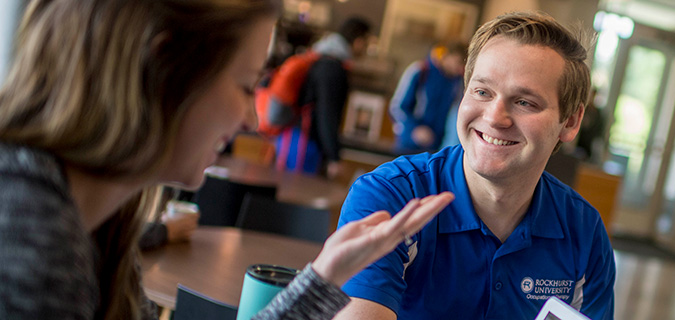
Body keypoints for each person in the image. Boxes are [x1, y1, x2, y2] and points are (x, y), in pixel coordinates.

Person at [0, 1, 453, 319]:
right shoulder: (29, 235)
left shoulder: (98, 224)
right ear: (164, 69)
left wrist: (325, 276)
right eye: (245, 85)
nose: (252, 120)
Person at [333, 12, 616, 320]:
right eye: (482, 92)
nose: (495, 117)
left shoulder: (584, 234)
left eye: (525, 102)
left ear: (571, 121)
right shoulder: (390, 199)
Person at [298, 17, 372, 178]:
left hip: (301, 138)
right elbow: (327, 113)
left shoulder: (324, 58)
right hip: (306, 143)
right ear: (358, 40)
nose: (365, 48)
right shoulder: (332, 67)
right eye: (366, 42)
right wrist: (334, 156)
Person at [389, 42, 467, 154]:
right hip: (408, 146)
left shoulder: (457, 82)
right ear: (447, 56)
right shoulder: (420, 71)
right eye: (458, 62)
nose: (460, 69)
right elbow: (397, 107)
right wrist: (414, 129)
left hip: (436, 149)